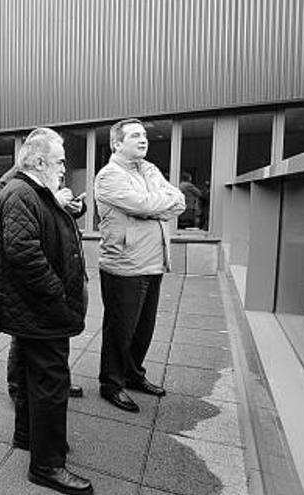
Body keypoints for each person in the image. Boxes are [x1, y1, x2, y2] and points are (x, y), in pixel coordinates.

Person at [0, 128, 93, 495]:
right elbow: (23, 253)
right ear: (39, 161)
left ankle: (28, 438)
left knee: (30, 375)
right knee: (51, 383)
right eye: (60, 162)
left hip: (33, 308)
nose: (64, 169)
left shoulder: (32, 190)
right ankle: (47, 465)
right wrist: (58, 294)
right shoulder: (23, 192)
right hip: (40, 309)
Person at [94, 118, 185, 413]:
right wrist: (156, 206)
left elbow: (179, 202)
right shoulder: (109, 176)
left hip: (153, 262)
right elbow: (144, 205)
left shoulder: (149, 169)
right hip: (125, 265)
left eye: (144, 135)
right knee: (121, 329)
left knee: (144, 328)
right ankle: (111, 384)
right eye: (135, 136)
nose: (144, 139)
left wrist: (153, 206)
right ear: (117, 143)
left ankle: (133, 375)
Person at [0, 166, 86, 401]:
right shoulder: (20, 175)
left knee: (56, 335)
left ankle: (57, 381)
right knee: (25, 336)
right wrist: (54, 200)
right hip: (42, 271)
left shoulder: (52, 169)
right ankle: (18, 389)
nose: (63, 165)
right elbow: (9, 201)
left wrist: (76, 208)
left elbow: (55, 207)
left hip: (62, 261)